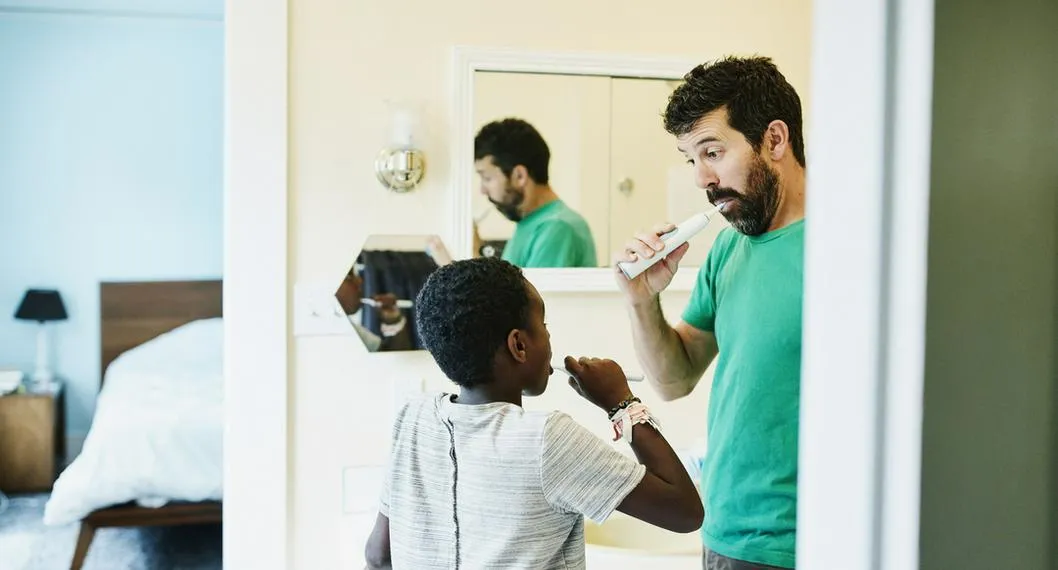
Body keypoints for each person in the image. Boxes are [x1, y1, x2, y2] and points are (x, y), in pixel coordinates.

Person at [364, 257, 703, 569]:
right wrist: (620, 402)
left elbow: (378, 556)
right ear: (519, 346)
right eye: (543, 324)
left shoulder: (414, 419)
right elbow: (685, 511)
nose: (549, 335)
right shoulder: (547, 440)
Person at [615, 56, 806, 570]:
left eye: (713, 152)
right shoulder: (727, 252)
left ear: (774, 140)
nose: (703, 177)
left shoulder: (847, 247)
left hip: (802, 542)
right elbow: (674, 380)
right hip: (722, 530)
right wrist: (642, 300)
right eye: (691, 159)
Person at [473, 118, 597, 268]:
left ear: (519, 176)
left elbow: (529, 292)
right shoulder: (531, 223)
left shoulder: (556, 228)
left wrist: (474, 256)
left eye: (487, 178)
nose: (482, 190)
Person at [335, 267, 413, 352]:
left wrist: (393, 321)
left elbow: (391, 357)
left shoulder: (352, 329)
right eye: (349, 275)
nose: (359, 281)